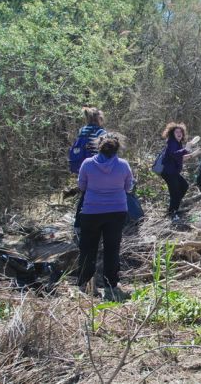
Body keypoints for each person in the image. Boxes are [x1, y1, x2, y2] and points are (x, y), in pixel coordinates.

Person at [77, 134, 133, 301]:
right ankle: (111, 287)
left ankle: (85, 286)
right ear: (117, 147)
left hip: (91, 212)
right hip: (116, 212)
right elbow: (128, 187)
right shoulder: (123, 165)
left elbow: (82, 186)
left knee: (88, 249)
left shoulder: (87, 164)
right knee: (112, 250)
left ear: (98, 146)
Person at [71, 107, 107, 242]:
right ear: (98, 118)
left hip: (83, 168)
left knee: (85, 195)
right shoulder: (100, 131)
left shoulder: (83, 130)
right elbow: (104, 151)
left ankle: (78, 224)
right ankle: (86, 225)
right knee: (91, 196)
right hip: (96, 168)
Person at [159, 122, 201, 222]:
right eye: (177, 132)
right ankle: (172, 213)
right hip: (168, 172)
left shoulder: (178, 143)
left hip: (173, 172)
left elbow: (179, 157)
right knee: (175, 192)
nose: (179, 133)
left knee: (184, 186)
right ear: (172, 133)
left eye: (181, 132)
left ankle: (174, 207)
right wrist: (186, 149)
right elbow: (174, 154)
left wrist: (193, 154)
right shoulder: (171, 142)